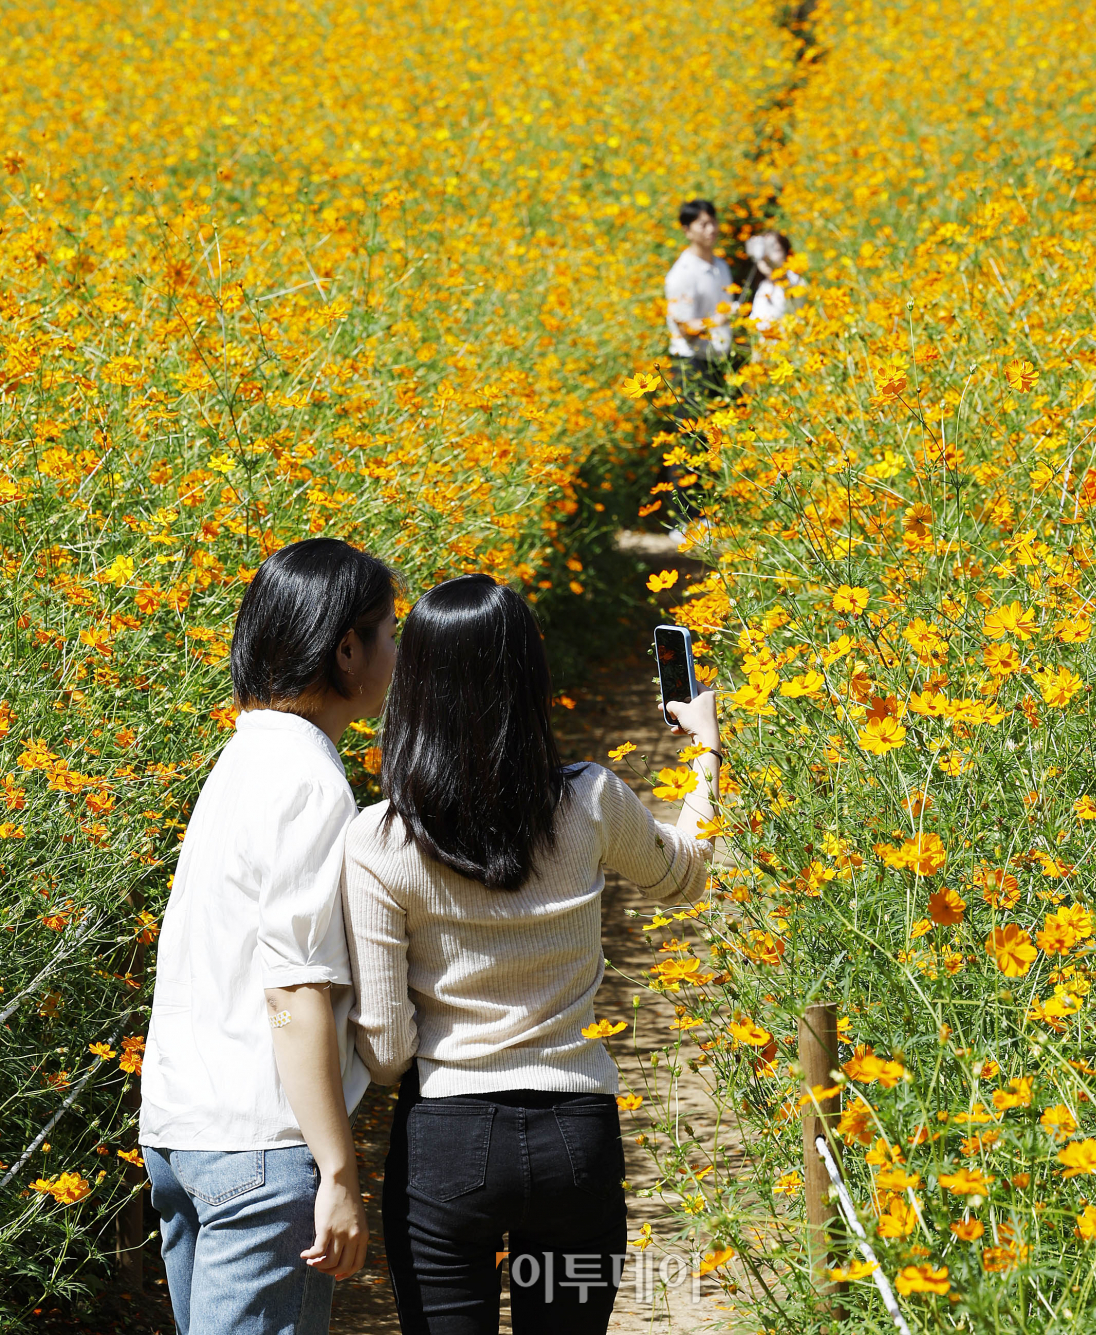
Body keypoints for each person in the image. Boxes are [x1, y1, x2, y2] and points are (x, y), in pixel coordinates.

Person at [342, 574, 722, 1334]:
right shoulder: (589, 801)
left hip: (446, 1149)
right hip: (574, 1142)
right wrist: (705, 749)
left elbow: (384, 1052)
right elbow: (685, 875)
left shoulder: (378, 838)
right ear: (529, 678)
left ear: (415, 684)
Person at [141, 539, 398, 1335]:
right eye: (389, 633)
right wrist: (336, 1168)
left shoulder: (243, 756)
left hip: (182, 1131)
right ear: (346, 648)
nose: (397, 654)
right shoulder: (311, 780)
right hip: (259, 1145)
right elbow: (293, 987)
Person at [664, 198, 733, 391]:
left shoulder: (721, 266)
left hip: (720, 361)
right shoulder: (682, 274)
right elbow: (685, 328)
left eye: (713, 222)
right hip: (690, 365)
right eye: (703, 225)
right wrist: (718, 320)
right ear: (687, 231)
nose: (711, 229)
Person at [745, 230, 805, 335]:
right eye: (765, 249)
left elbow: (786, 283)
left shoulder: (795, 281)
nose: (767, 256)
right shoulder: (764, 286)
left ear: (787, 254)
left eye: (774, 249)